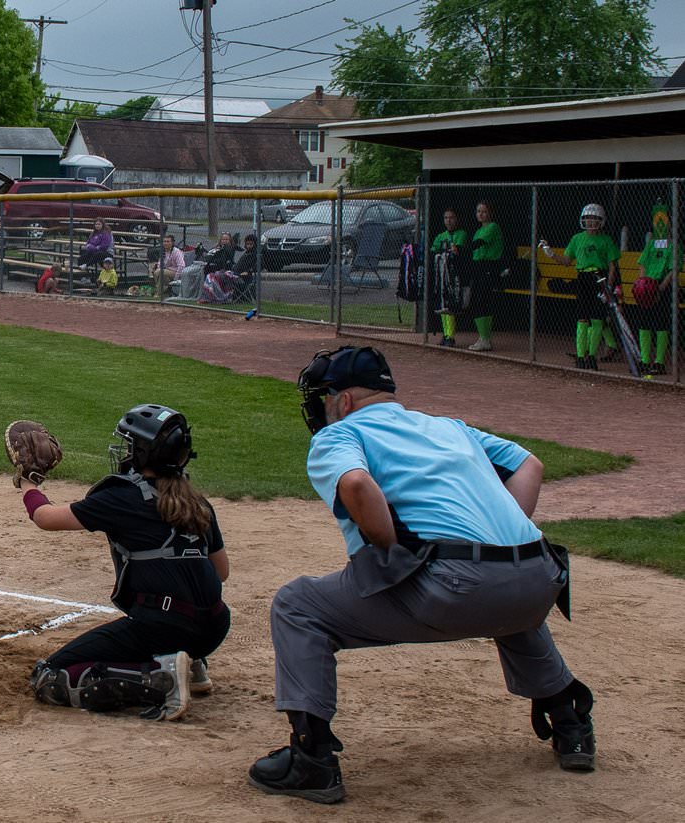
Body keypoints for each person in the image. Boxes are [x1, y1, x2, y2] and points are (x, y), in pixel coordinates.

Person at [248, 345, 593, 804]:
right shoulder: (448, 428)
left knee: (298, 604)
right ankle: (571, 722)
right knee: (500, 597)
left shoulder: (341, 434)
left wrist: (391, 549)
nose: (322, 406)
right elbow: (531, 463)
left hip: (453, 590)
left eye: (326, 396)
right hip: (541, 581)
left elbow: (354, 483)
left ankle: (312, 760)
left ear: (346, 400)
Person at [22, 405, 231, 722]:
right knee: (179, 603)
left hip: (164, 627)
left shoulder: (121, 497)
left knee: (51, 677)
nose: (126, 451)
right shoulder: (197, 500)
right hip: (213, 628)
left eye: (131, 444)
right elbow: (222, 572)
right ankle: (193, 664)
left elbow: (45, 518)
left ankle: (161, 677)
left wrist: (29, 483)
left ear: (143, 453)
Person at [540, 204, 620, 370]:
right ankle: (581, 355)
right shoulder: (577, 238)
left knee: (597, 320)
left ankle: (591, 356)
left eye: (594, 219)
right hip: (583, 278)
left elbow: (612, 266)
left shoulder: (606, 240)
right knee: (582, 318)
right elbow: (567, 261)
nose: (590, 222)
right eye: (587, 219)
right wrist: (551, 254)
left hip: (599, 278)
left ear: (601, 221)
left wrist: (609, 288)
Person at [633, 202, 677, 376]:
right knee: (644, 324)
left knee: (661, 325)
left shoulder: (673, 245)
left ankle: (659, 362)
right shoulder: (651, 244)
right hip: (647, 287)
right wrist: (643, 283)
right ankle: (645, 360)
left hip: (661, 286)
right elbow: (642, 263)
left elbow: (674, 269)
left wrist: (660, 288)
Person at [466, 201, 505, 351]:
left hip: (489, 266)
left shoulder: (493, 227)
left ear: (490, 213)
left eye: (484, 211)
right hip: (478, 267)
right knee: (476, 300)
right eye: (478, 211)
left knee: (482, 300)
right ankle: (484, 338)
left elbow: (479, 244)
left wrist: (461, 250)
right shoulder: (478, 230)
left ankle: (485, 338)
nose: (480, 214)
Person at [430, 207, 470, 347]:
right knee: (443, 304)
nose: (449, 220)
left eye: (451, 217)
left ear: (457, 219)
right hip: (442, 274)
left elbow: (456, 250)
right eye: (446, 218)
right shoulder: (441, 236)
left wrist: (448, 250)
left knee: (451, 305)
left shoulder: (461, 234)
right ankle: (446, 334)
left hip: (455, 274)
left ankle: (450, 336)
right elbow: (435, 250)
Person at [200, 234, 258, 304]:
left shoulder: (256, 254)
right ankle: (209, 297)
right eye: (247, 244)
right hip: (234, 272)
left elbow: (257, 266)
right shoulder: (246, 253)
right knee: (210, 276)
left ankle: (221, 298)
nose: (248, 246)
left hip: (242, 276)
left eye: (251, 244)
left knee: (218, 275)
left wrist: (249, 272)